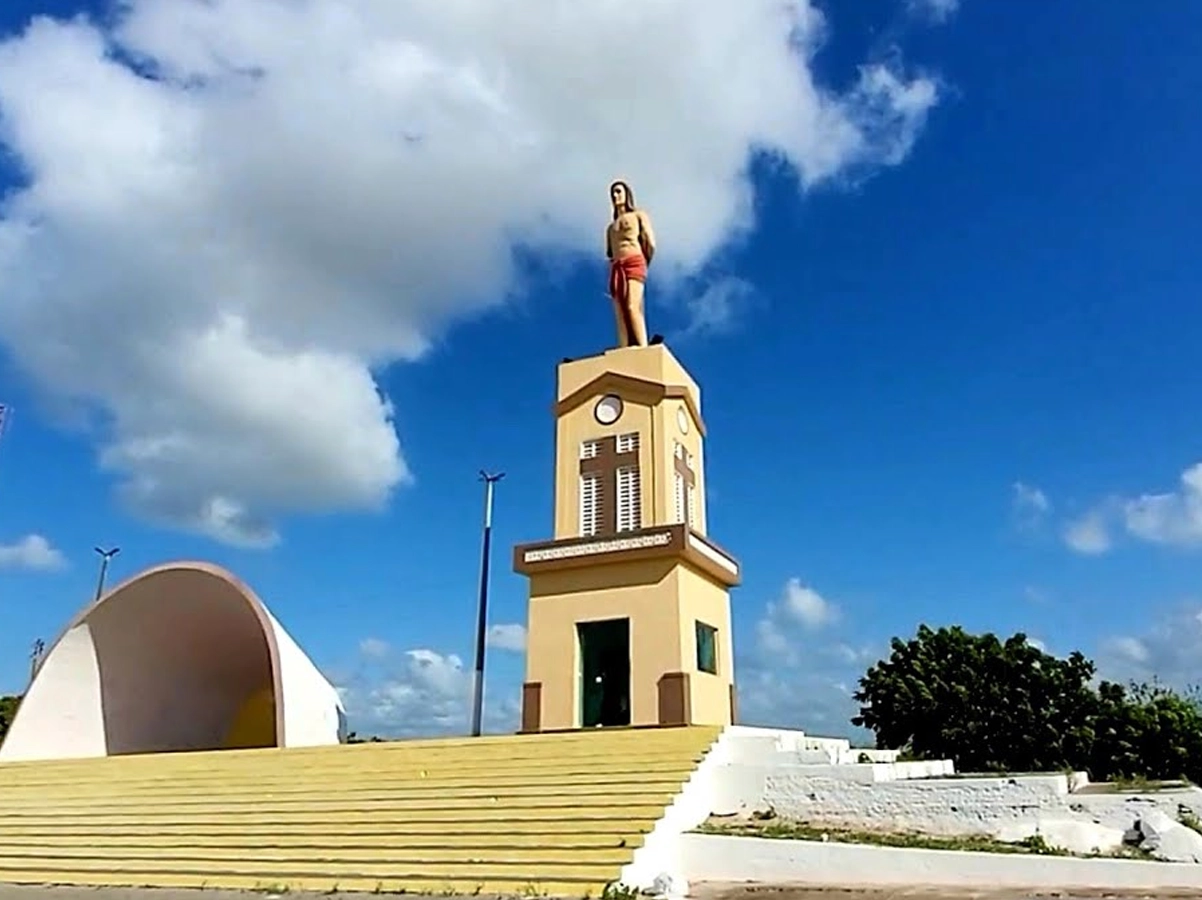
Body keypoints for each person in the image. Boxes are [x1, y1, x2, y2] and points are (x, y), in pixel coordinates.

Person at [605, 180, 657, 348]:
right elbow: (610, 253)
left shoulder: (638, 215)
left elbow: (650, 242)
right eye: (613, 193)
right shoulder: (610, 228)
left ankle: (643, 347)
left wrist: (644, 262)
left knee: (632, 306)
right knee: (620, 312)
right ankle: (624, 347)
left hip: (634, 261)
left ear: (627, 194)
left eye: (619, 191)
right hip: (617, 266)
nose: (615, 196)